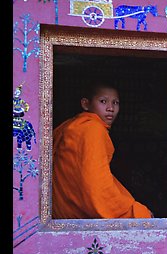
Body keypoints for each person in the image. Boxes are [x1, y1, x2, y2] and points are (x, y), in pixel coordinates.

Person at [52, 82, 153, 219]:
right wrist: (136, 213)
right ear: (86, 104)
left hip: (61, 213)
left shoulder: (73, 126)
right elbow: (96, 185)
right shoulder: (93, 129)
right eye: (103, 101)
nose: (110, 108)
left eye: (116, 103)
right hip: (78, 213)